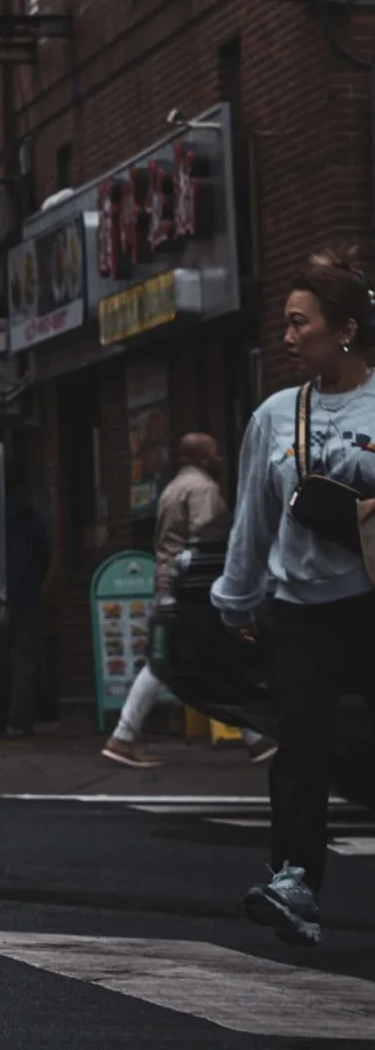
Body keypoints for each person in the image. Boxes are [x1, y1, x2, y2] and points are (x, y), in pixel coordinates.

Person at [211, 250, 375, 948]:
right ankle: (293, 882)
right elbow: (253, 515)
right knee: (301, 744)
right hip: (300, 610)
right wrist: (237, 599)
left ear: (343, 329)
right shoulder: (278, 414)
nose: (285, 337)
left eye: (297, 323)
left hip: (368, 601)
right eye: (284, 323)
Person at [103, 433, 228, 765]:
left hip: (171, 580)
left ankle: (259, 740)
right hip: (192, 586)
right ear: (202, 458)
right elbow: (208, 534)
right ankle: (123, 735)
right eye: (215, 452)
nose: (220, 457)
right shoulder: (203, 489)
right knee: (164, 663)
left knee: (208, 660)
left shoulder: (174, 487)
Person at [0, 479, 55, 734]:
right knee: (24, 659)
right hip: (27, 596)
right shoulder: (32, 521)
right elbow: (45, 558)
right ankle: (19, 718)